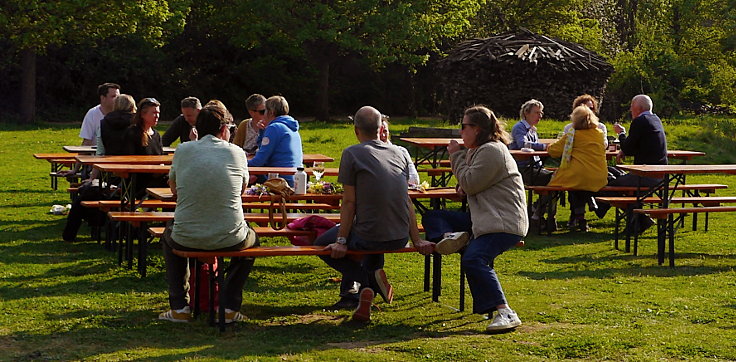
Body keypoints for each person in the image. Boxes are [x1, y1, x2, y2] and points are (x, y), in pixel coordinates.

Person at [313, 106, 434, 322]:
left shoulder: (352, 153)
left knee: (322, 245)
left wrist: (341, 240)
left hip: (369, 235)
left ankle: (367, 282)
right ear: (381, 128)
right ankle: (365, 298)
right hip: (399, 236)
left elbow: (349, 202)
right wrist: (416, 239)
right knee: (372, 236)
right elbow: (407, 201)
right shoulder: (400, 152)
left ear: (356, 130)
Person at [422, 105, 528, 332]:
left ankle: (506, 312)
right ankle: (449, 237)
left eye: (463, 126)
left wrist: (455, 156)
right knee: (433, 215)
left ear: (477, 129)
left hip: (503, 223)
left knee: (473, 258)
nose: (460, 132)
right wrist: (464, 181)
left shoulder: (492, 150)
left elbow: (470, 183)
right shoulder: (479, 151)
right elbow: (471, 183)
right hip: (483, 219)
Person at [159, 104, 257, 323]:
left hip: (186, 236)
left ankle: (179, 306)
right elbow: (241, 190)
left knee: (168, 236)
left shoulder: (183, 150)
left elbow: (173, 189)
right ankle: (230, 305)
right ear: (224, 130)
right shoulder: (237, 152)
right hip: (230, 236)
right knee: (253, 241)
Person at [61, 95, 136, 242]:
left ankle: (70, 234)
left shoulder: (104, 123)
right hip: (136, 178)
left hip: (111, 176)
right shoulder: (138, 124)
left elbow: (100, 154)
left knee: (86, 194)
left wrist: (92, 177)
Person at [596, 94, 668, 234]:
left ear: (638, 108)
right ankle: (640, 220)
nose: (630, 110)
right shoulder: (655, 119)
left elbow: (629, 148)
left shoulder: (640, 121)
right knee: (612, 173)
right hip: (660, 176)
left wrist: (621, 134)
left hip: (646, 175)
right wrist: (624, 150)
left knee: (608, 187)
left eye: (631, 107)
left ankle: (601, 207)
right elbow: (641, 146)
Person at [547, 106, 608, 231]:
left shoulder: (572, 135)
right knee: (579, 186)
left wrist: (548, 146)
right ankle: (580, 218)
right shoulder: (599, 134)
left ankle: (543, 216)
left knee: (554, 184)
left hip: (578, 176)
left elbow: (554, 151)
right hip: (599, 177)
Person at [509, 99, 556, 229]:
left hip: (534, 167)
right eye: (536, 112)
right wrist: (545, 146)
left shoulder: (532, 130)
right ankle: (538, 213)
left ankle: (537, 211)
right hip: (523, 169)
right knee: (555, 180)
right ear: (526, 113)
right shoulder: (520, 127)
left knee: (560, 179)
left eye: (541, 113)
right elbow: (523, 144)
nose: (540, 116)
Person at [247, 96, 303, 186]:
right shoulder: (291, 127)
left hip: (281, 180)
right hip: (295, 178)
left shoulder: (274, 128)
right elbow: (264, 150)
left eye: (264, 111)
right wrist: (262, 131)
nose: (263, 114)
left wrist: (241, 162)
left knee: (243, 176)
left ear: (271, 112)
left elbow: (259, 161)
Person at [379, 115, 420, 186]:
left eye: (385, 131)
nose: (382, 135)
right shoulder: (368, 154)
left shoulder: (402, 151)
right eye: (379, 132)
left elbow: (414, 180)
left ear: (389, 132)